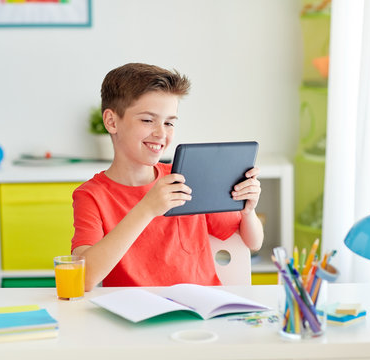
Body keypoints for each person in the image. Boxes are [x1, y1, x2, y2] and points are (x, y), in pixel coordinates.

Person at [71, 63, 263, 290]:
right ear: (112, 122)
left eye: (169, 122)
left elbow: (253, 242)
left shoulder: (185, 177)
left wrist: (248, 212)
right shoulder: (92, 195)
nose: (161, 133)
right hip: (135, 314)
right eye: (147, 120)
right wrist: (147, 209)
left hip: (199, 309)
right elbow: (83, 278)